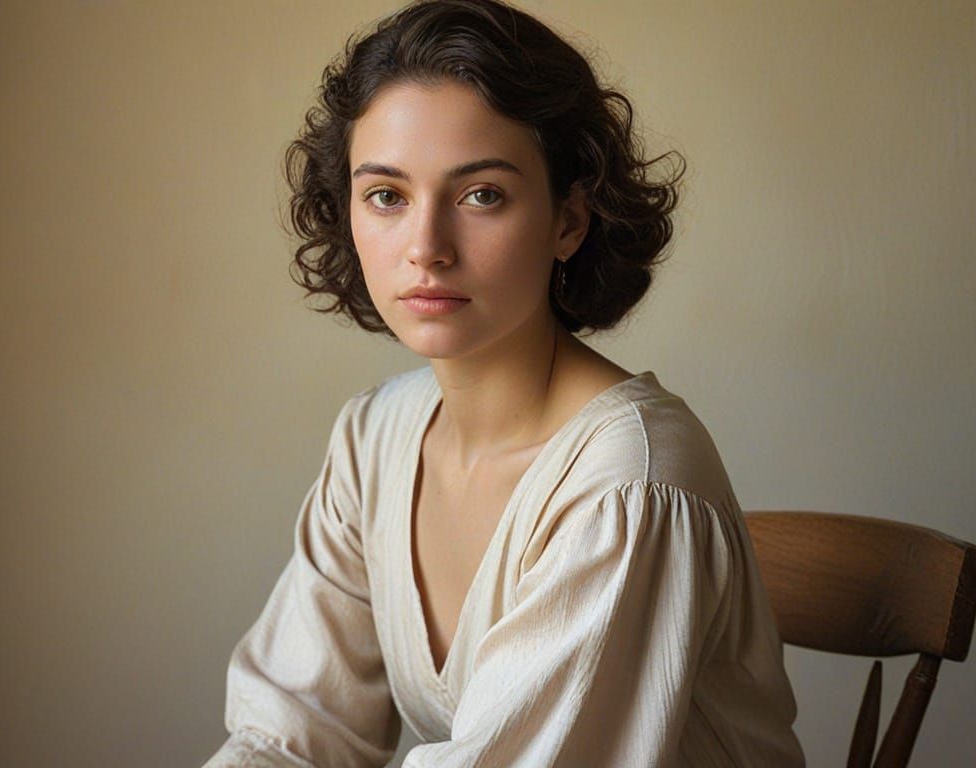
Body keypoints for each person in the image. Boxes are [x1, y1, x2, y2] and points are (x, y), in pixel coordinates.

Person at [204, 1, 805, 765]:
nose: (426, 248)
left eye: (480, 193)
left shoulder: (630, 485)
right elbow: (287, 733)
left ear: (569, 220)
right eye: (386, 195)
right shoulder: (374, 441)